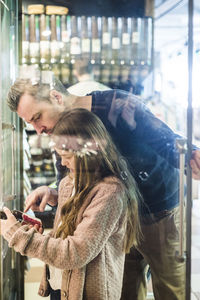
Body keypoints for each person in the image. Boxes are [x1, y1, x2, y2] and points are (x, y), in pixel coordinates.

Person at [6, 74, 200, 300]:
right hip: (117, 217)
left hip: (159, 210)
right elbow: (74, 186)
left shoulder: (117, 106)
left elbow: (165, 139)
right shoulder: (61, 133)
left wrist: (192, 156)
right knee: (123, 289)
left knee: (170, 289)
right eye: (30, 123)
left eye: (37, 117)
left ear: (56, 97)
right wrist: (54, 194)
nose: (38, 129)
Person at [0, 108, 141, 300]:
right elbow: (73, 224)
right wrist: (52, 201)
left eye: (66, 157)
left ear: (88, 153)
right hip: (62, 285)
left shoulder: (111, 193)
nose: (63, 164)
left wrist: (19, 236)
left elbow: (74, 252)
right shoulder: (69, 182)